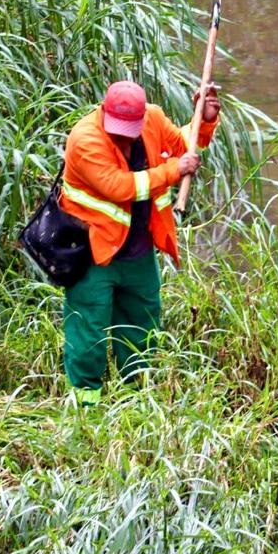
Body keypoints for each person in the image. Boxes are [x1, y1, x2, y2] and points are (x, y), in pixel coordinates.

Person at [58, 80, 221, 404]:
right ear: (103, 112)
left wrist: (203, 120)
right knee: (88, 332)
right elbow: (119, 187)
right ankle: (84, 410)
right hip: (93, 254)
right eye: (118, 129)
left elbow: (184, 147)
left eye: (131, 129)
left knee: (142, 330)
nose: (125, 137)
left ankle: (135, 404)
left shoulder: (153, 118)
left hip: (138, 252)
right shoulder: (85, 139)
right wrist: (175, 170)